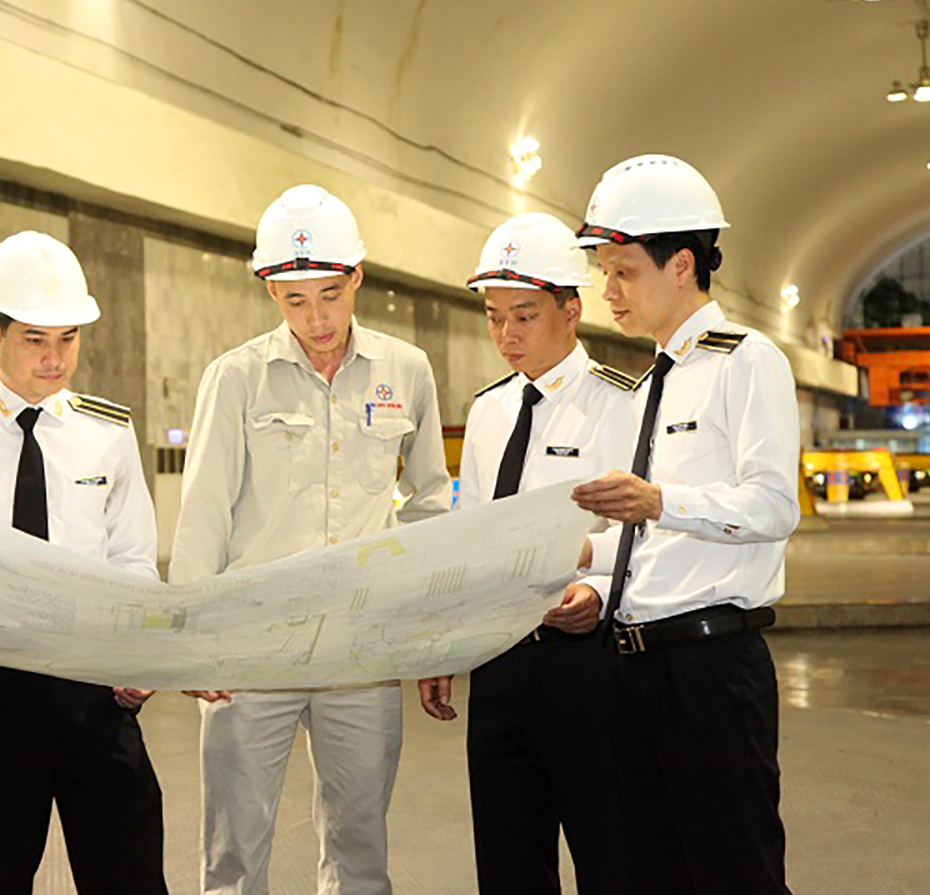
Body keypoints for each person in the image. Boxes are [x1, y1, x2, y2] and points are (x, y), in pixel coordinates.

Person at [170, 185, 450, 895]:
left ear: (357, 278)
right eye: (295, 301)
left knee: (360, 846)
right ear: (271, 290)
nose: (317, 319)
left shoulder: (406, 370)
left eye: (330, 295)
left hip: (362, 646)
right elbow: (203, 511)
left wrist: (427, 629)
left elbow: (429, 504)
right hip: (252, 643)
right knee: (235, 848)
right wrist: (192, 637)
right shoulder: (235, 377)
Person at [570, 154, 799, 895]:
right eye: (603, 272)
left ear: (681, 265)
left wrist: (660, 501)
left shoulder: (747, 362)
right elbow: (649, 539)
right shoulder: (648, 384)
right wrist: (581, 558)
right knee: (651, 872)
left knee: (735, 871)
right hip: (633, 665)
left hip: (710, 669)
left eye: (622, 271)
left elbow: (773, 507)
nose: (608, 290)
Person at [0, 230, 167, 895]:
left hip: (91, 682)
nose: (55, 359)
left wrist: (138, 654)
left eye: (68, 338)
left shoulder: (106, 431)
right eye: (34, 339)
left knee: (129, 873)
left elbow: (133, 558)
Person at [415, 212, 634, 894]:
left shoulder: (620, 406)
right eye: (494, 316)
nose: (506, 334)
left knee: (611, 853)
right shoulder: (489, 411)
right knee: (508, 860)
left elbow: (643, 533)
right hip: (500, 662)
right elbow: (470, 536)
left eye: (525, 316)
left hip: (586, 664)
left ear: (571, 310)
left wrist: (597, 591)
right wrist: (446, 643)